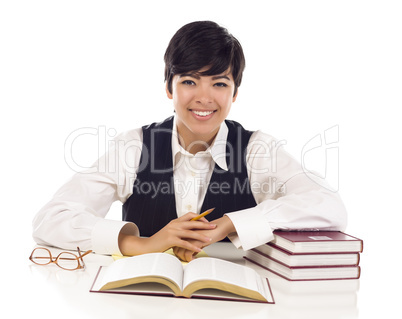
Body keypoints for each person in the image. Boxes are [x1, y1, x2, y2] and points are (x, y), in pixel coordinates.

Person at [32, 21, 347, 262]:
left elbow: (329, 206)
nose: (204, 98)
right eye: (189, 81)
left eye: (220, 83)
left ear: (235, 93)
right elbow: (51, 218)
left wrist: (229, 224)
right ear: (169, 87)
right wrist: (140, 243)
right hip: (140, 299)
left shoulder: (256, 150)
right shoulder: (134, 146)